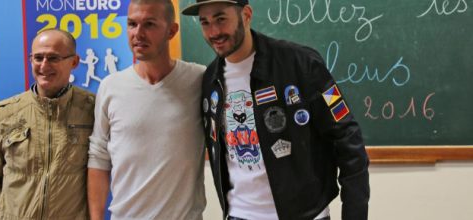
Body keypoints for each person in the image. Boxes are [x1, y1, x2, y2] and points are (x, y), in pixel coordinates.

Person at [182, 1, 370, 219]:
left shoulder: (303, 64)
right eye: (205, 22)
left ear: (246, 15)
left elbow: (349, 140)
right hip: (239, 215)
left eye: (221, 19)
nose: (213, 31)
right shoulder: (210, 81)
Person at [87, 0, 206, 219]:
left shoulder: (199, 80)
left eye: (149, 24)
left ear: (172, 31)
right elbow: (99, 156)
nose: (138, 33)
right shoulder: (110, 86)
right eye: (132, 24)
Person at [0, 28, 95, 219]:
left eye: (53, 58)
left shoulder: (94, 111)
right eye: (38, 58)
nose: (44, 65)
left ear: (74, 62)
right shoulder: (4, 114)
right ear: (30, 60)